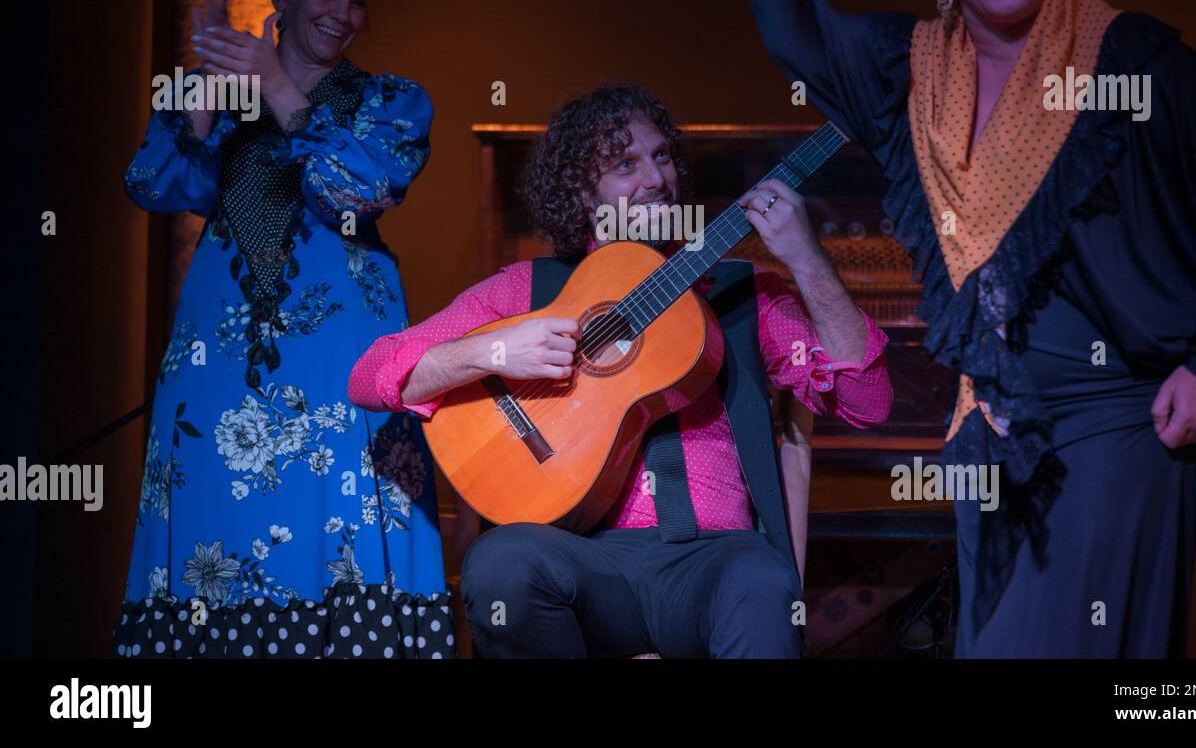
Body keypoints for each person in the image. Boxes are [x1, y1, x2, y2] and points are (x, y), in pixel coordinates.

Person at [705, 0, 1196, 656]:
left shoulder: (1127, 59)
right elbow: (795, 33)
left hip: (1119, 423)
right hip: (992, 432)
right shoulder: (909, 72)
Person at [348, 83, 893, 657]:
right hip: (583, 563)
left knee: (763, 582)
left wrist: (805, 258)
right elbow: (372, 374)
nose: (655, 179)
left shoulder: (740, 292)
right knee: (500, 566)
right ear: (583, 191)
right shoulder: (527, 290)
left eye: (661, 156)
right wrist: (495, 350)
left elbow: (868, 399)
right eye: (625, 164)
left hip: (710, 563)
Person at [115, 0, 454, 659]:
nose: (343, 13)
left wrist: (275, 84)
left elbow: (358, 188)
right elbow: (152, 182)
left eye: (360, 1)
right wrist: (204, 93)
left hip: (342, 358)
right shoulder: (234, 101)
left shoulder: (389, 101)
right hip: (221, 360)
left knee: (345, 537)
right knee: (216, 535)